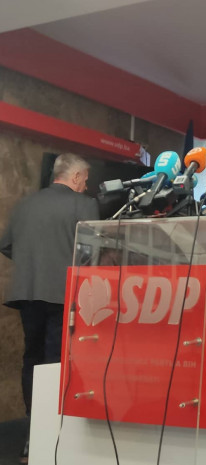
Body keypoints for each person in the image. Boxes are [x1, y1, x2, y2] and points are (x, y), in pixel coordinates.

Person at [0, 153, 99, 463]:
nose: (86, 186)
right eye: (85, 179)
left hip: (27, 293)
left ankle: (32, 433)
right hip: (64, 295)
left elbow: (6, 244)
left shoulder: (25, 204)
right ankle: (53, 435)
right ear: (75, 177)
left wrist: (35, 263)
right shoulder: (85, 205)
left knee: (32, 359)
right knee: (57, 362)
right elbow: (92, 252)